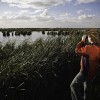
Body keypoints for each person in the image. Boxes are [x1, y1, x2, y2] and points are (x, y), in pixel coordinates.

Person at [70, 30, 100, 100]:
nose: (88, 38)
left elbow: (77, 50)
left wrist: (82, 40)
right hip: (93, 73)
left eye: (88, 37)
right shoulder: (98, 48)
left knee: (73, 85)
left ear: (91, 38)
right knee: (87, 89)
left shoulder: (88, 48)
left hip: (84, 72)